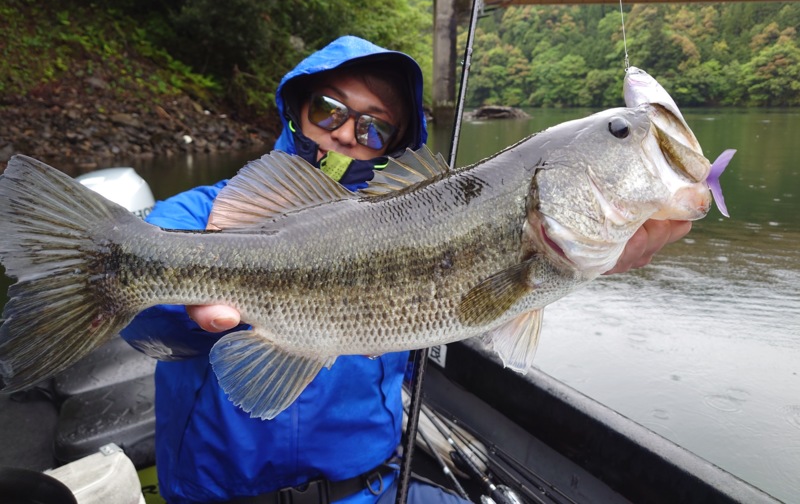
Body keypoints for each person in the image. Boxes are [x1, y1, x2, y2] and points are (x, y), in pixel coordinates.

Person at [121, 35, 691, 504]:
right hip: (220, 496)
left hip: (369, 491)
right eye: (330, 111)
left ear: (393, 144)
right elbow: (142, 322)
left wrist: (589, 261)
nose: (347, 133)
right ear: (297, 107)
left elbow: (489, 314)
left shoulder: (440, 220)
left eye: (372, 128)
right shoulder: (203, 215)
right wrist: (193, 313)